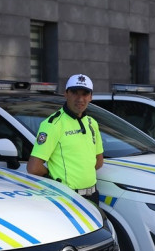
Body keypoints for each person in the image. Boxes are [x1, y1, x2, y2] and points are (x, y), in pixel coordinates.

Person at [27, 74, 103, 204]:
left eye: (85, 94)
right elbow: (34, 168)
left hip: (92, 194)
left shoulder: (92, 123)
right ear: (66, 94)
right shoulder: (53, 124)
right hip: (66, 197)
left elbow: (98, 161)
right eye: (74, 93)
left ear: (90, 97)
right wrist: (57, 183)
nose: (80, 99)